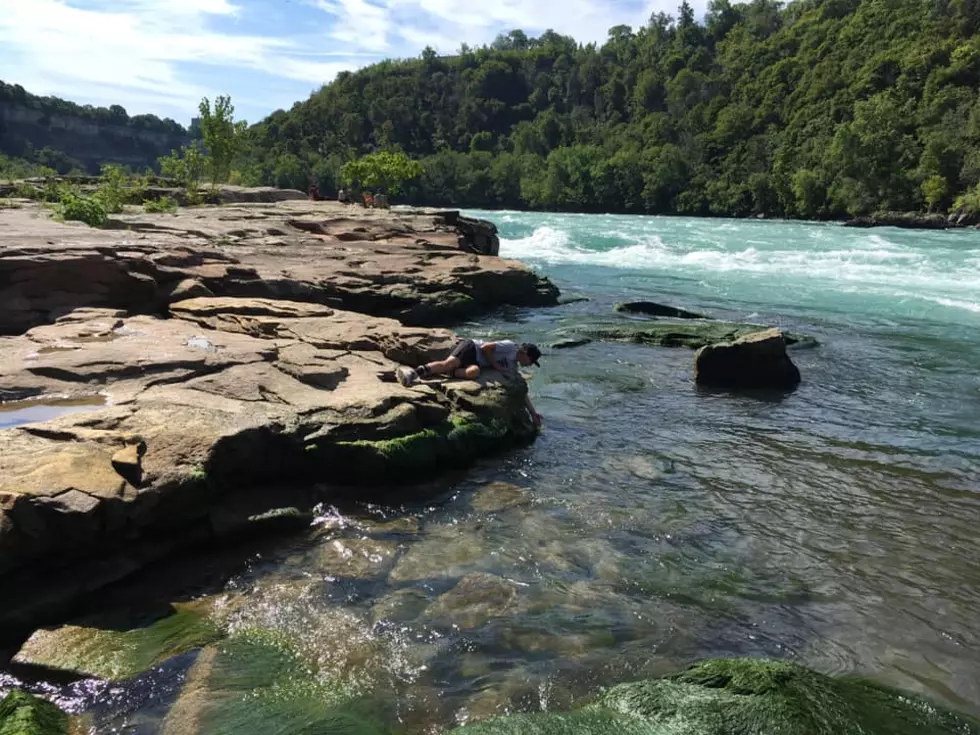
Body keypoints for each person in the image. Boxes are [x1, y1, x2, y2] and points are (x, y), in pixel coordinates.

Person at [396, 339, 543, 426]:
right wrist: (495, 365)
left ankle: (449, 373)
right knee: (448, 363)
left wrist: (533, 413)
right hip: (472, 348)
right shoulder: (510, 346)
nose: (530, 365)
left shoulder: (513, 367)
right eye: (531, 361)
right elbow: (486, 348)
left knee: (474, 373)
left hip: (476, 362)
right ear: (524, 353)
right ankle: (413, 373)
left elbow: (522, 391)